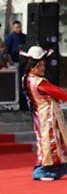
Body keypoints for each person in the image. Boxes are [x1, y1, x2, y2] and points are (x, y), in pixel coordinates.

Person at [20, 46, 67, 181]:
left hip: (41, 114)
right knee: (50, 142)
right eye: (40, 65)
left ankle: (50, 168)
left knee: (49, 141)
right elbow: (60, 94)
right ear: (33, 66)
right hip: (46, 115)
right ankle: (45, 170)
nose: (43, 68)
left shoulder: (28, 78)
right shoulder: (39, 82)